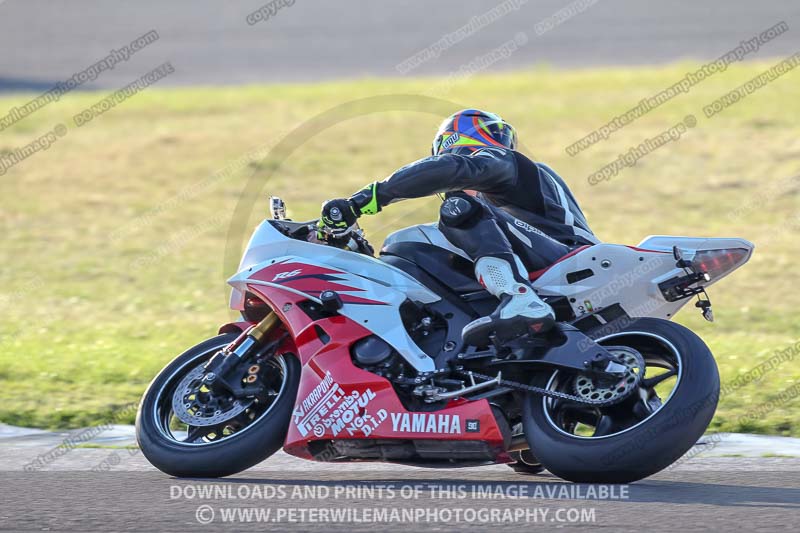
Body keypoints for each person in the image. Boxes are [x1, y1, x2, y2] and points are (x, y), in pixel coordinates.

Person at [318, 109, 599, 345]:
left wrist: (364, 200)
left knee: (457, 209)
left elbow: (452, 169)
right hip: (557, 270)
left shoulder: (510, 166)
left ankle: (519, 298)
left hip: (570, 262)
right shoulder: (503, 210)